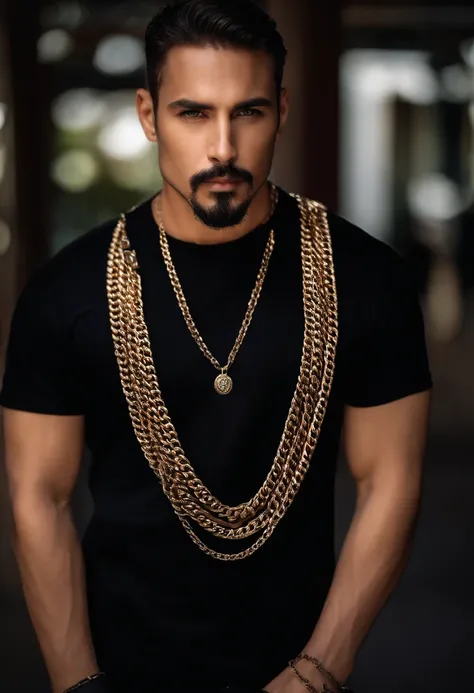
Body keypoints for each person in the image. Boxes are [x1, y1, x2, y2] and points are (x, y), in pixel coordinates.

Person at [0, 1, 433, 693]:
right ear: (149, 114)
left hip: (301, 665)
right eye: (194, 113)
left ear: (282, 111)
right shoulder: (66, 294)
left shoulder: (365, 279)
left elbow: (391, 481)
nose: (223, 148)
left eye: (249, 112)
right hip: (119, 667)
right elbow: (38, 497)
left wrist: (320, 669)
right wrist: (79, 683)